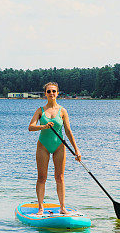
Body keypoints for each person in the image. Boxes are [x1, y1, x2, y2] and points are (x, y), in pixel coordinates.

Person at [28, 82, 81, 215]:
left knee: (60, 177)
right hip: (43, 146)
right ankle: (41, 208)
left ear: (57, 93)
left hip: (59, 146)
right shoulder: (40, 110)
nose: (51, 93)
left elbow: (68, 131)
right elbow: (31, 127)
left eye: (53, 91)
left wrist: (76, 149)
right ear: (45, 94)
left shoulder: (62, 111)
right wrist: (43, 127)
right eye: (48, 91)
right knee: (42, 177)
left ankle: (62, 207)